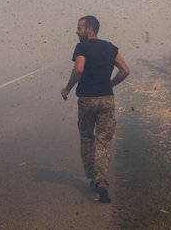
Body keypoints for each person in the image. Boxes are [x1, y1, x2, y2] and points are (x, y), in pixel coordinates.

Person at [61, 15, 130, 203]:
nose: (77, 31)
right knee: (103, 140)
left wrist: (67, 88)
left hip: (86, 99)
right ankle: (101, 181)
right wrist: (109, 84)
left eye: (79, 28)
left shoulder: (82, 47)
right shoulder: (110, 47)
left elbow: (79, 69)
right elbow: (125, 70)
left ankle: (93, 177)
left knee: (87, 137)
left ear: (89, 29)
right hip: (107, 98)